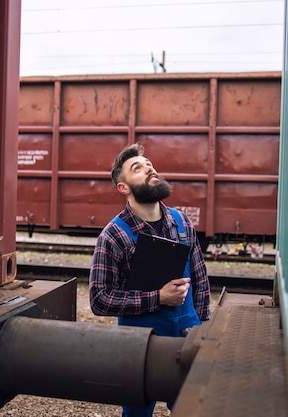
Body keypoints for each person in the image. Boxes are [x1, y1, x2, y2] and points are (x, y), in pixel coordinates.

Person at [89, 143, 211, 417]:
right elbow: (99, 300)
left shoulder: (182, 222)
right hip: (139, 343)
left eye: (149, 163)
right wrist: (158, 298)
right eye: (137, 168)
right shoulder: (113, 236)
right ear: (124, 188)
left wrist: (205, 327)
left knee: (191, 408)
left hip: (187, 334)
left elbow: (200, 278)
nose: (149, 167)